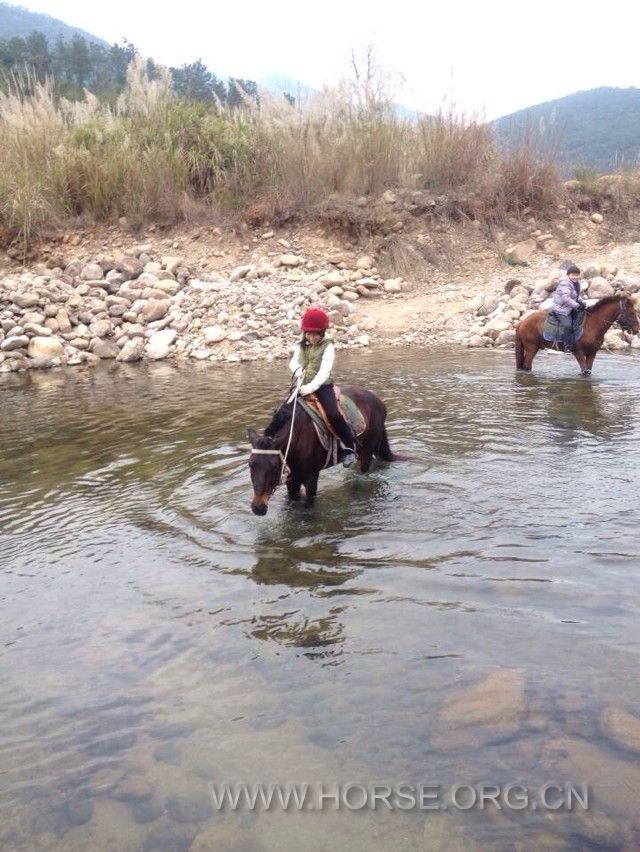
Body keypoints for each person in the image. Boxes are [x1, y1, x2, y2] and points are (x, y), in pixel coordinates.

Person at [289, 307, 358, 467]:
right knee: (285, 410)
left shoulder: (328, 346)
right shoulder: (301, 345)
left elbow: (324, 371)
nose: (312, 337)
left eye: (316, 334)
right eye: (309, 333)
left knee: (333, 414)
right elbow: (293, 361)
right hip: (300, 383)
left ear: (322, 332)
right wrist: (297, 370)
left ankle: (349, 447)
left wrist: (311, 388)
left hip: (321, 386)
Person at [551, 265, 586, 348]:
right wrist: (577, 305)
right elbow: (565, 298)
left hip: (570, 307)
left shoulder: (576, 283)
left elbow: (576, 295)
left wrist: (581, 302)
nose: (575, 277)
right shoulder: (565, 284)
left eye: (577, 275)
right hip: (561, 309)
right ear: (568, 275)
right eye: (573, 275)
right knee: (567, 325)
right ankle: (566, 346)